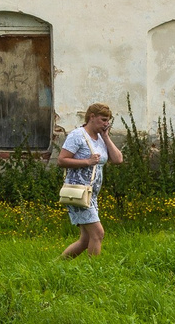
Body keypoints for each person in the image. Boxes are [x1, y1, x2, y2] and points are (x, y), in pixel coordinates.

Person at [59, 103, 121, 259]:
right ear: (91, 117)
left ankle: (57, 265)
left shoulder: (101, 138)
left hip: (91, 195)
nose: (106, 123)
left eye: (108, 121)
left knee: (86, 239)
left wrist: (106, 137)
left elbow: (118, 159)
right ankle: (93, 272)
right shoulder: (77, 135)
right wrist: (86, 162)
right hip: (77, 192)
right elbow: (61, 160)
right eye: (103, 119)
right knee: (98, 234)